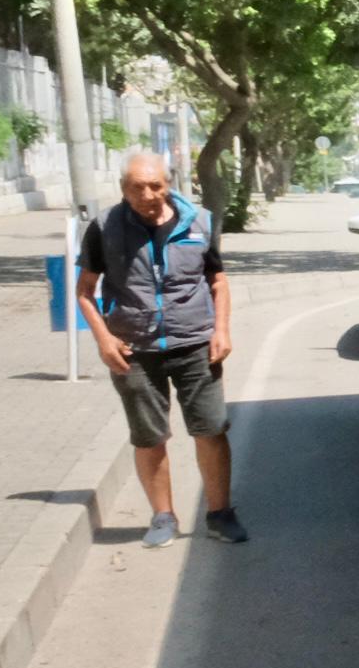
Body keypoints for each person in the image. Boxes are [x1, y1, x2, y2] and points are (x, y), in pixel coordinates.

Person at [77, 151, 244, 547]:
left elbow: (217, 281)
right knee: (149, 436)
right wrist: (103, 339)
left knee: (211, 429)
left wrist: (221, 330)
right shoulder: (104, 227)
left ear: (169, 185)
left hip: (194, 344)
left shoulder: (199, 222)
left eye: (156, 186)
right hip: (133, 348)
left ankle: (220, 514)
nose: (148, 195)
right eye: (138, 187)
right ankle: (162, 517)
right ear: (123, 189)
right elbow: (85, 291)